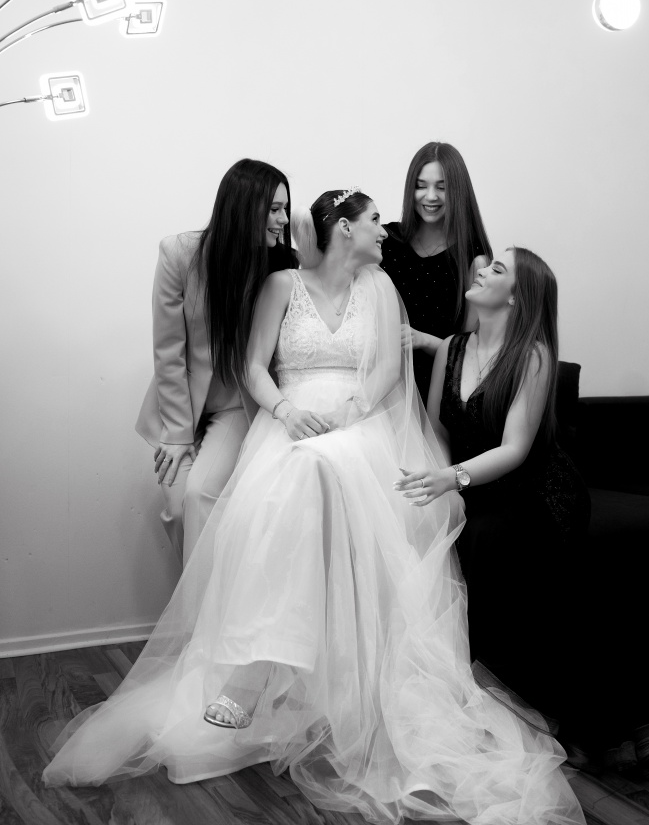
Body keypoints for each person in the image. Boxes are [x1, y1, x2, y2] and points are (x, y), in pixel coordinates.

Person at [44, 194, 584, 825]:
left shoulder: (382, 287)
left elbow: (388, 370)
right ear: (344, 228)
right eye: (376, 221)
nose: (386, 231)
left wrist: (354, 412)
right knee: (297, 473)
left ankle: (256, 671)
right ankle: (258, 664)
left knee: (320, 469)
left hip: (358, 423)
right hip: (291, 421)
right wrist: (286, 411)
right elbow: (252, 365)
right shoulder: (282, 284)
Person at [396, 246, 591, 725]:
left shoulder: (532, 356)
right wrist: (440, 482)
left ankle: (495, 691)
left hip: (535, 492)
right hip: (473, 486)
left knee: (482, 537)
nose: (481, 270)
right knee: (422, 528)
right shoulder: (451, 347)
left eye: (497, 269)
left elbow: (515, 449)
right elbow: (439, 429)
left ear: (517, 298)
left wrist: (451, 478)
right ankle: (445, 680)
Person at [135, 158, 296, 564]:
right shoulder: (179, 253)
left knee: (200, 495)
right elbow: (168, 350)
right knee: (177, 510)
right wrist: (177, 434)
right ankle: (205, 597)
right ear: (243, 207)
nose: (283, 220)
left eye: (285, 209)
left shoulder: (282, 264)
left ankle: (202, 608)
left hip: (236, 404)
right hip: (179, 406)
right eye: (274, 209)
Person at [381, 141, 492, 403]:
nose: (430, 197)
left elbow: (471, 353)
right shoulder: (386, 240)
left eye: (442, 188)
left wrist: (422, 340)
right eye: (421, 186)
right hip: (382, 381)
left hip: (437, 391)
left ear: (458, 191)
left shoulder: (475, 260)